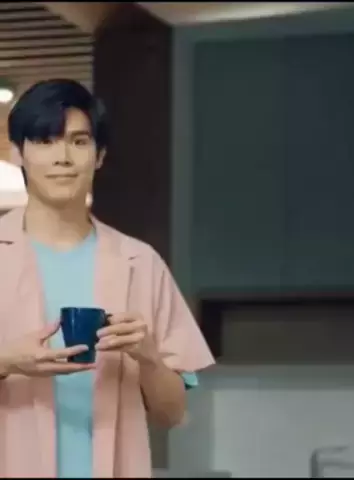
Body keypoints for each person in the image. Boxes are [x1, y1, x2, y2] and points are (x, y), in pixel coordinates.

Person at [0, 79, 215, 478]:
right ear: (18, 153)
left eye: (78, 142)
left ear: (99, 156)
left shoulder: (140, 263)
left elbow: (171, 414)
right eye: (45, 141)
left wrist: (148, 358)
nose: (63, 157)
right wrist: (6, 361)